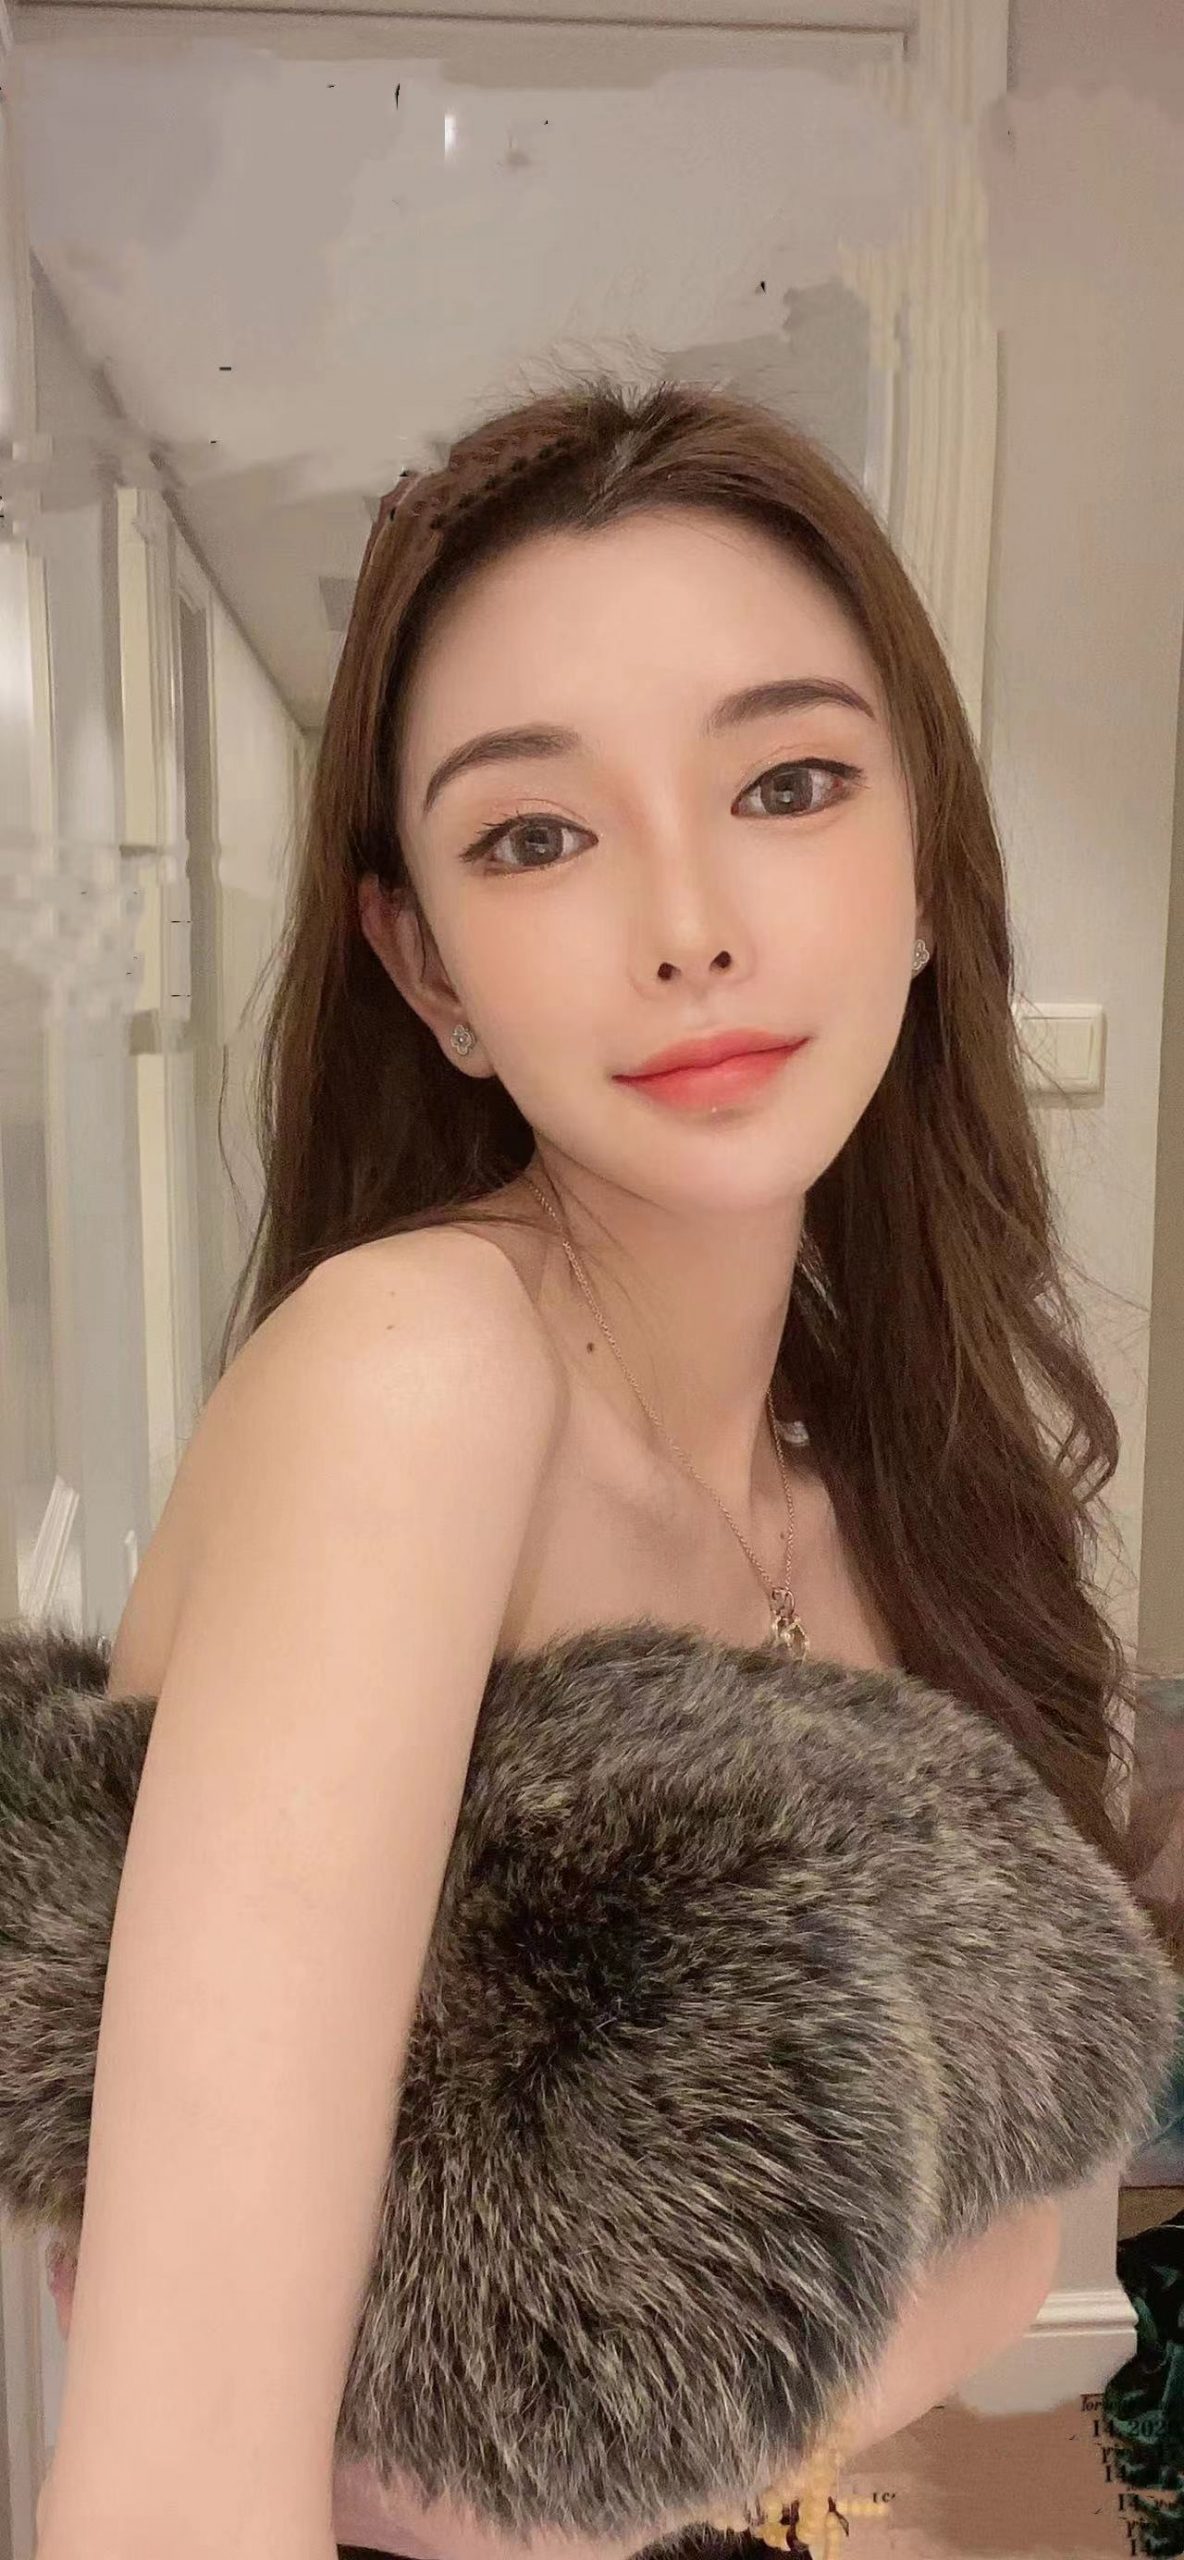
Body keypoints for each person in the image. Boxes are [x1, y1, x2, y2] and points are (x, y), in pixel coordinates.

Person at [34, 370, 1138, 2560]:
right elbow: (172, 2488)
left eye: (789, 782)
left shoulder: (883, 1454)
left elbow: (1012, 2233)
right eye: (536, 834)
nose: (689, 919)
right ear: (427, 966)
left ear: (928, 874)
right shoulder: (416, 1378)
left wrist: (590, 2483)